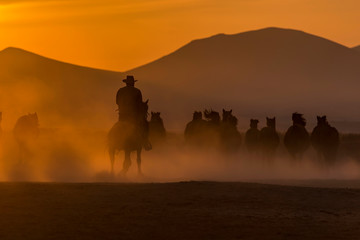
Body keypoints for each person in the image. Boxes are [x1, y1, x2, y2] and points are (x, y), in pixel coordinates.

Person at [116, 75, 151, 150]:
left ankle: (115, 142)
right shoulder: (137, 91)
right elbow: (139, 104)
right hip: (133, 117)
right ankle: (145, 142)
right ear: (133, 83)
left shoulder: (120, 90)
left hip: (122, 116)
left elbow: (117, 102)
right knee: (145, 125)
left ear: (126, 83)